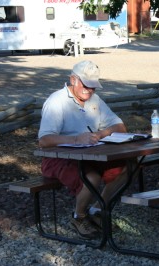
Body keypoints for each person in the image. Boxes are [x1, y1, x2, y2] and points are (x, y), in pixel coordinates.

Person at [38, 60, 128, 239]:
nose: (90, 90)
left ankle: (97, 211)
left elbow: (120, 127)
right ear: (73, 79)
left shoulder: (94, 100)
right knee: (91, 177)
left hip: (90, 155)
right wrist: (76, 139)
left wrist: (101, 134)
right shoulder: (56, 101)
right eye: (86, 85)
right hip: (57, 158)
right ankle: (79, 217)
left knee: (126, 168)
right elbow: (44, 140)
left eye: (93, 86)